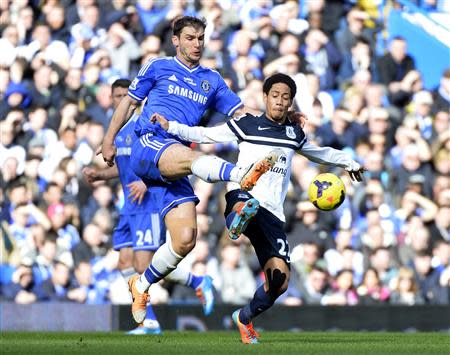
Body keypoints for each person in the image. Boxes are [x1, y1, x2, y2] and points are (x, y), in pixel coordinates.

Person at [100, 16, 305, 324]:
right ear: (176, 40)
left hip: (177, 162)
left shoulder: (212, 80)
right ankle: (239, 175)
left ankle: (140, 285)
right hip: (150, 142)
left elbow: (241, 114)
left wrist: (280, 117)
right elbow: (129, 104)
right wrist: (109, 139)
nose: (197, 44)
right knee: (187, 154)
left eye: (200, 38)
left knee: (185, 239)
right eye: (190, 38)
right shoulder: (157, 67)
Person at [152, 73, 365, 344]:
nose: (279, 101)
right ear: (265, 98)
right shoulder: (246, 124)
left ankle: (244, 317)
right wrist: (170, 126)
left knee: (280, 282)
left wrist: (349, 163)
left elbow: (320, 152)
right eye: (274, 96)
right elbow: (205, 134)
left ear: (290, 103)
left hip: (272, 213)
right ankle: (236, 218)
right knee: (243, 201)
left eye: (285, 98)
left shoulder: (293, 134)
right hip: (244, 193)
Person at [83, 79, 214, 334]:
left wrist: (146, 181)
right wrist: (99, 176)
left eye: (125, 95)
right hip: (128, 207)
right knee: (124, 263)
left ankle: (164, 310)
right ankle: (152, 319)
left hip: (148, 203)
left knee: (144, 266)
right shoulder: (117, 132)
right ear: (111, 99)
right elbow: (124, 165)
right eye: (117, 96)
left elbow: (160, 159)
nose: (122, 100)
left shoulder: (145, 126)